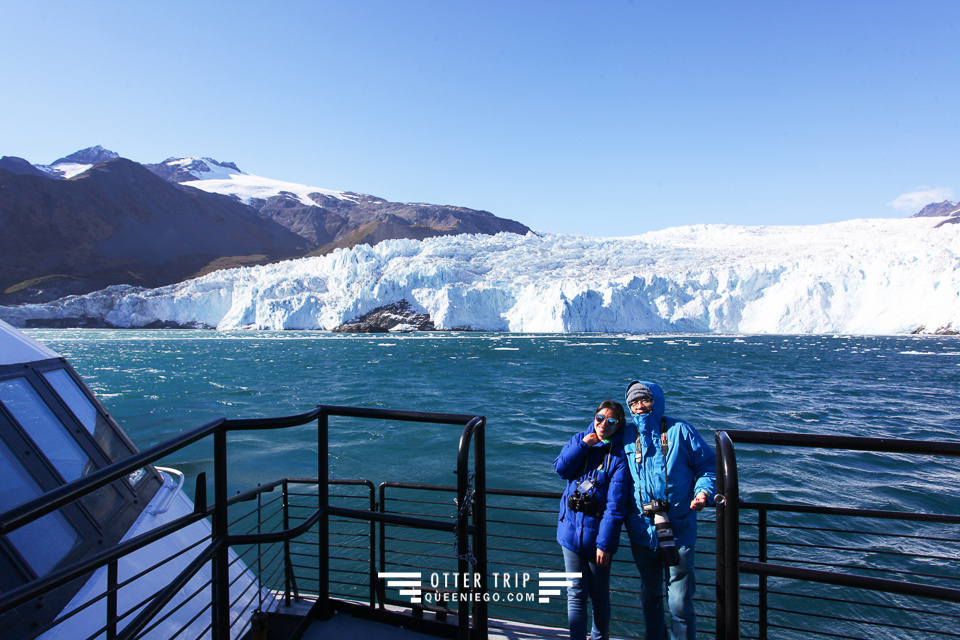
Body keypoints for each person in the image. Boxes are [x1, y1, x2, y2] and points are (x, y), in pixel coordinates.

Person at [621, 380, 716, 640]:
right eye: (634, 403)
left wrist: (703, 492)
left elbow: (708, 466)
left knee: (680, 603)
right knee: (651, 597)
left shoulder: (680, 431)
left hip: (679, 529)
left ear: (657, 401)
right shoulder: (627, 435)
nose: (640, 407)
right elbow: (600, 433)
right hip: (642, 531)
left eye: (645, 400)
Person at [554, 400, 630, 640]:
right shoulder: (580, 439)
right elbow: (561, 469)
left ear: (618, 426)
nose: (603, 425)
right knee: (575, 594)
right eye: (599, 418)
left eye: (611, 421)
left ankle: (599, 638)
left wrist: (605, 544)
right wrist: (583, 446)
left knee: (599, 595)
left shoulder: (618, 458)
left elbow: (615, 506)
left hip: (597, 538)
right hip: (570, 532)